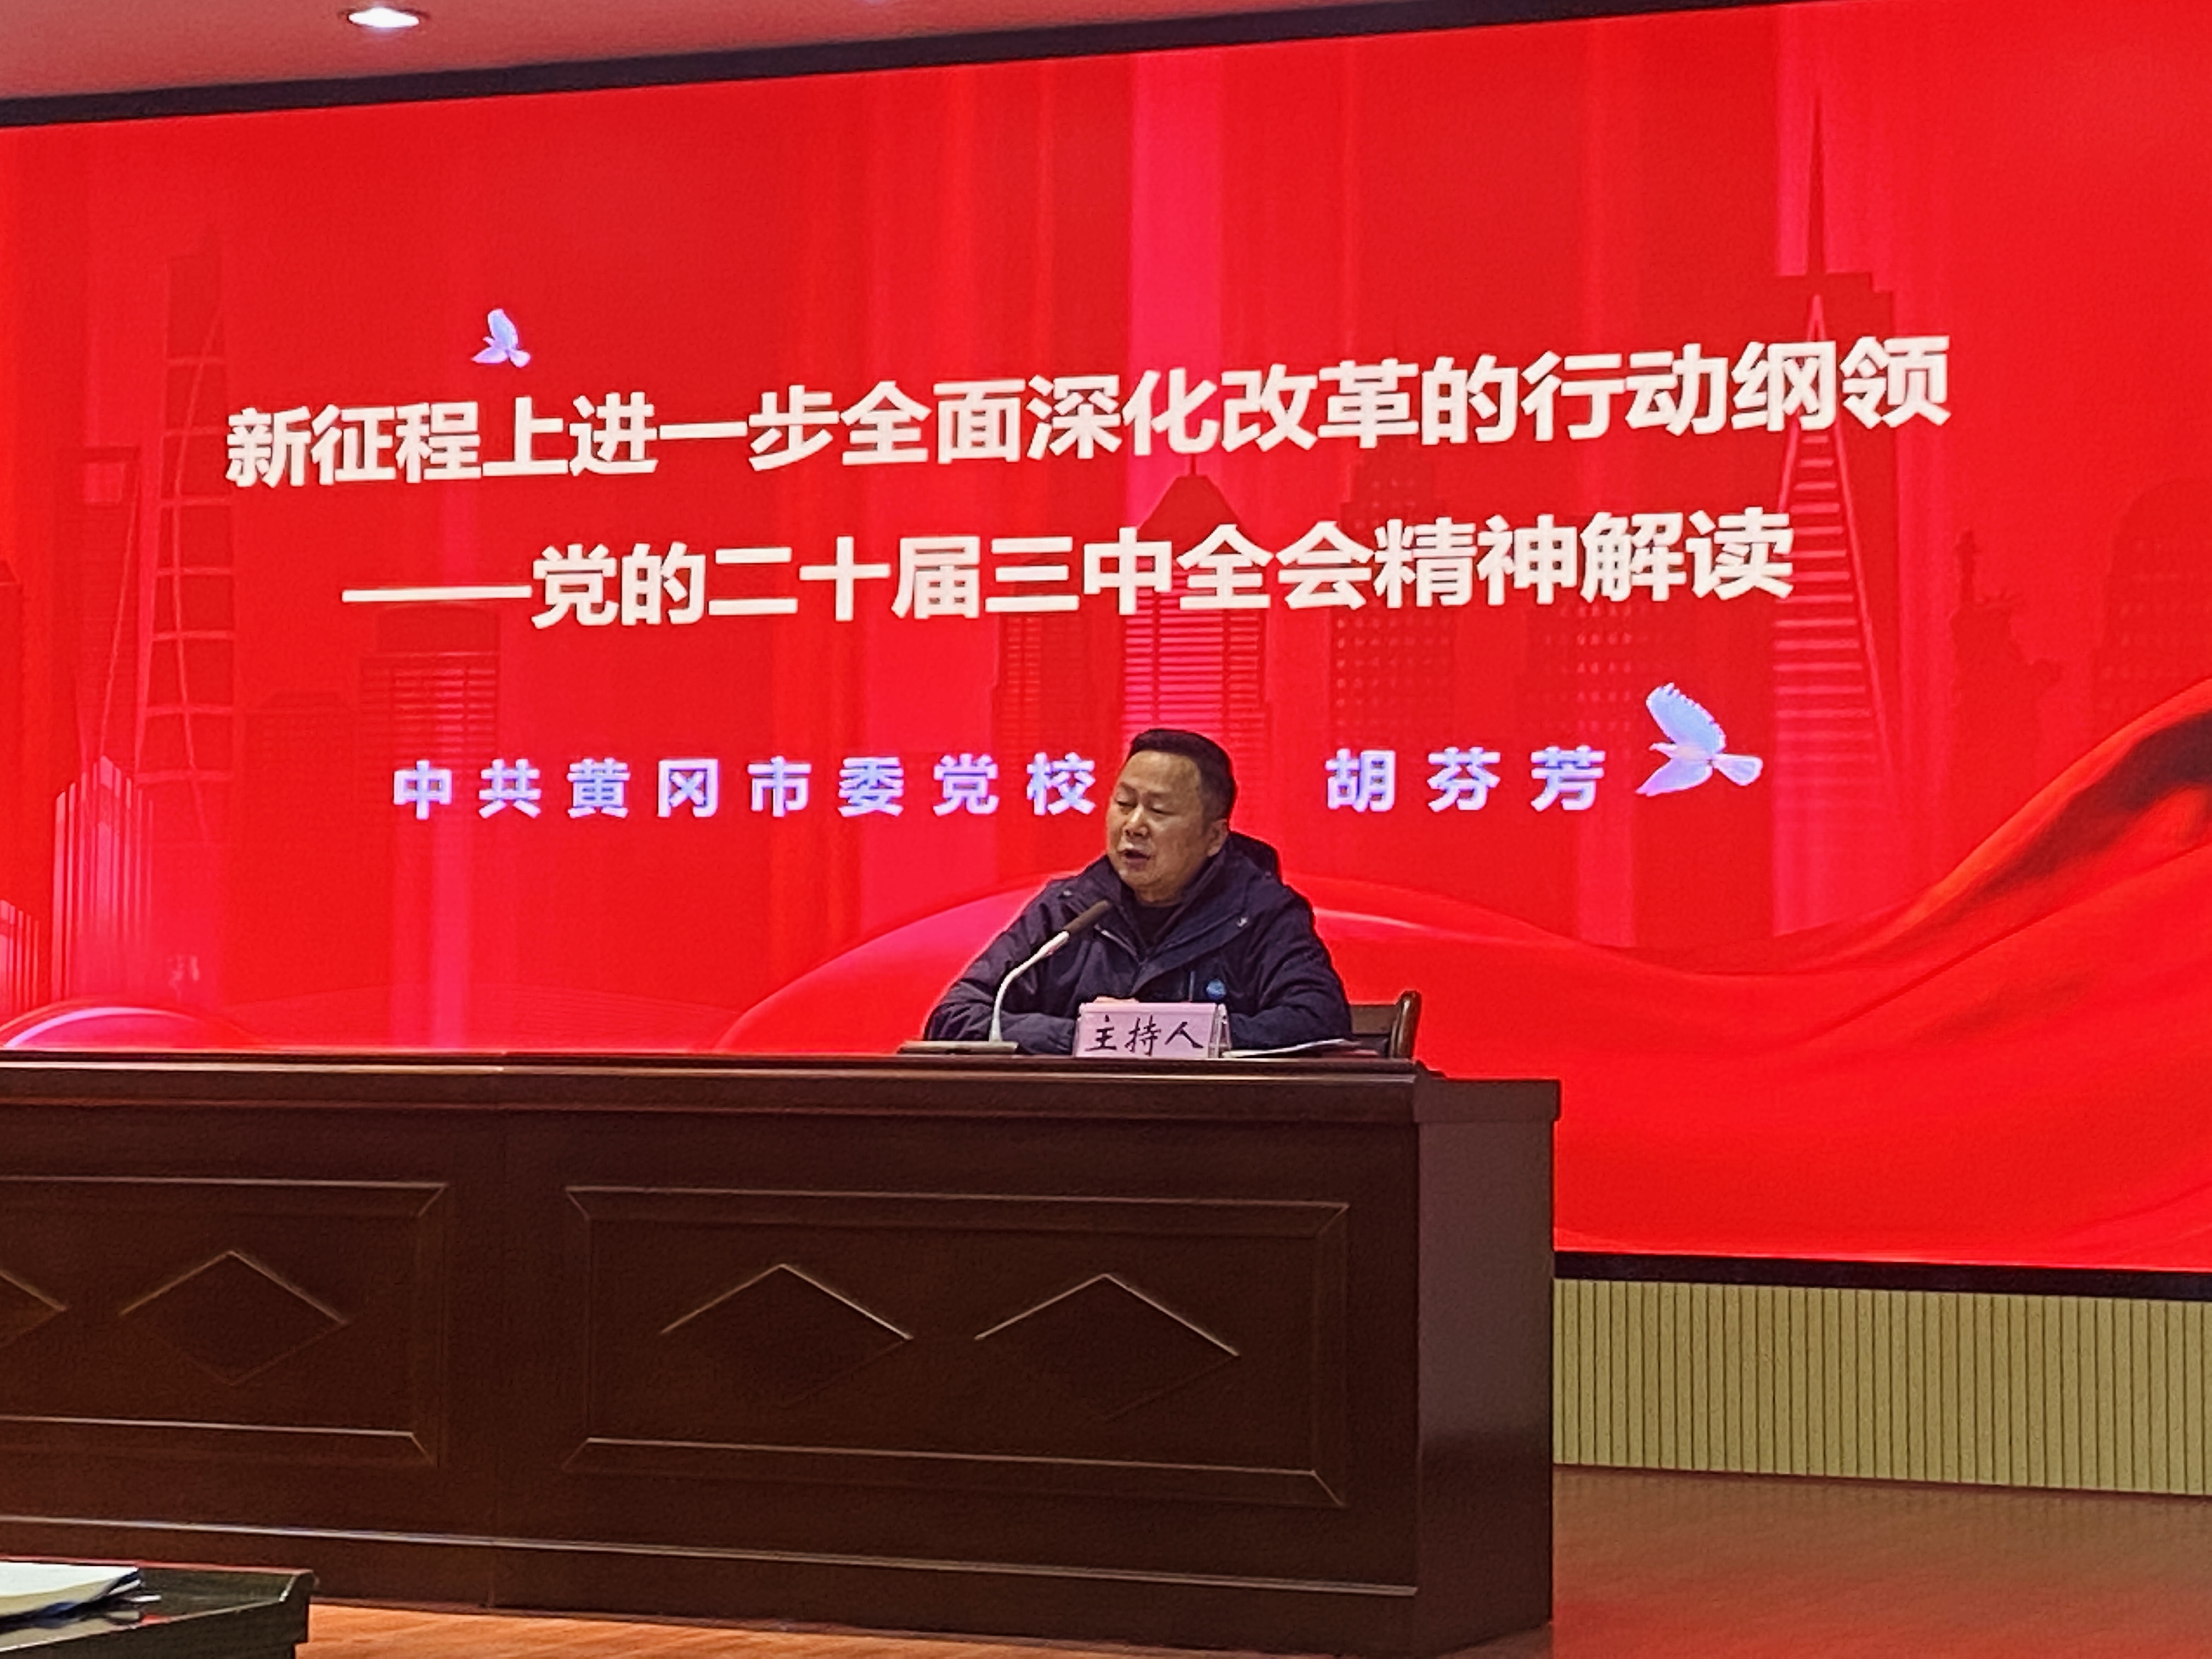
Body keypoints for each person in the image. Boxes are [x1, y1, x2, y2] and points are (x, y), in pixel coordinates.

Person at [924, 729, 1351, 1054]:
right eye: (1124, 804)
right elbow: (956, 1016)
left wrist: (1161, 1031)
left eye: (1159, 810)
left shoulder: (1262, 914)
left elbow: (1318, 1020)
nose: (1134, 826)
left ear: (1215, 837)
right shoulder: (1068, 910)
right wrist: (1088, 1035)